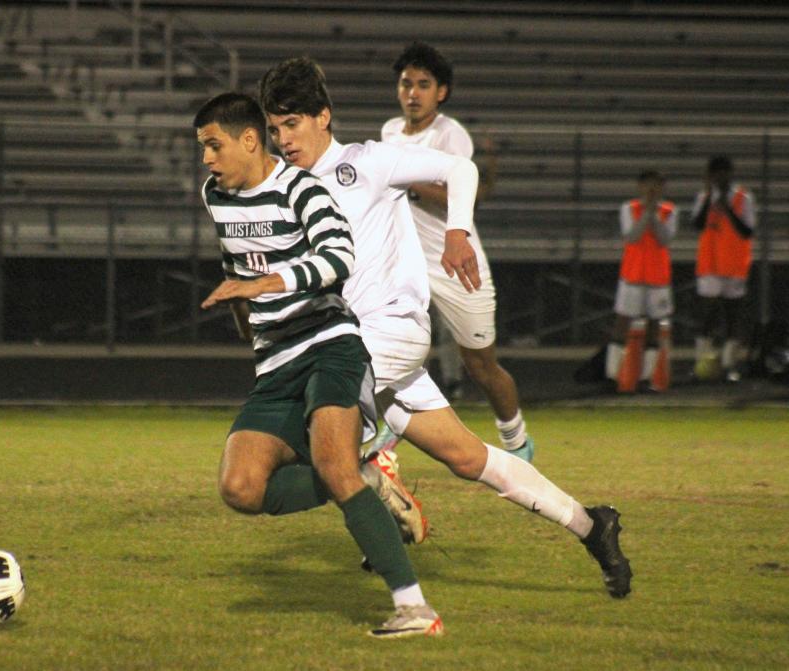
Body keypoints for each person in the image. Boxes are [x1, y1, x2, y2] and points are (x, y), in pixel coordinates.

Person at [256, 57, 632, 601]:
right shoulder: (286, 187)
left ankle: (371, 479)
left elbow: (461, 171)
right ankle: (593, 526)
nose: (283, 138)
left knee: (308, 440)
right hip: (357, 343)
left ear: (323, 117)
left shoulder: (369, 161)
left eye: (291, 124)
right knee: (468, 458)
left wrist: (457, 233)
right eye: (274, 128)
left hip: (393, 331)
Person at [194, 92, 442, 639]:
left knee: (333, 463)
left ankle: (414, 608)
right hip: (276, 362)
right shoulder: (216, 195)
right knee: (241, 488)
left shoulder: (303, 189)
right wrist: (247, 310)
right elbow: (239, 261)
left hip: (330, 344)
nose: (207, 159)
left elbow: (337, 258)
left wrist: (264, 285)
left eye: (213, 145)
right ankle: (365, 477)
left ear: (248, 140)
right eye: (202, 149)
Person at [377, 41, 533, 459]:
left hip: (456, 263)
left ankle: (516, 440)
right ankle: (390, 433)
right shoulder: (390, 132)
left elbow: (455, 194)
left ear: (440, 92)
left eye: (423, 84)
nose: (412, 92)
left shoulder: (450, 135)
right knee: (393, 352)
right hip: (406, 266)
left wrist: (401, 175)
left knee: (481, 364)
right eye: (406, 83)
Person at [606, 170, 678, 392]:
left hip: (657, 277)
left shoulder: (670, 211)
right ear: (640, 187)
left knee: (655, 327)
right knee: (622, 324)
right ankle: (612, 376)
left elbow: (665, 238)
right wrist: (646, 213)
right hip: (633, 275)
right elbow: (632, 235)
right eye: (648, 185)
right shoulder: (629, 209)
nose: (651, 190)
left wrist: (653, 215)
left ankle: (647, 378)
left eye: (656, 186)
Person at [691, 155, 756, 382]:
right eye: (715, 173)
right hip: (710, 264)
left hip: (734, 264)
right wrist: (709, 198)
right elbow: (697, 224)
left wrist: (728, 209)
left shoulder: (743, 198)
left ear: (730, 173)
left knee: (732, 315)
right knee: (707, 314)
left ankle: (730, 364)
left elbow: (747, 231)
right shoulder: (704, 197)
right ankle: (701, 363)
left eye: (723, 172)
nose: (720, 177)